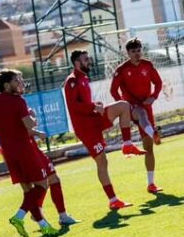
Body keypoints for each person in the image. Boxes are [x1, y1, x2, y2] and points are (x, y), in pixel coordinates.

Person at [0, 69, 75, 237]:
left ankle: (43, 225)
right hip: (25, 151)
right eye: (17, 80)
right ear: (7, 85)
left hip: (9, 154)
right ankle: (19, 216)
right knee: (42, 185)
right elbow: (29, 124)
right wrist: (33, 117)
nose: (20, 82)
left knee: (28, 190)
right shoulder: (18, 101)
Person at [64, 49, 143, 210]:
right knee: (102, 161)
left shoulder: (83, 78)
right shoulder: (71, 81)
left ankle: (127, 144)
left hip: (93, 119)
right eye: (86, 59)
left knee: (123, 105)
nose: (89, 62)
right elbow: (73, 106)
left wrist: (95, 105)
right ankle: (113, 200)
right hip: (86, 128)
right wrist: (93, 106)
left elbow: (83, 103)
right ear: (77, 62)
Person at [110, 37, 164, 193]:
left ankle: (151, 183)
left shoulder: (148, 65)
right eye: (133, 51)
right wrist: (123, 106)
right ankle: (153, 132)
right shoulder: (121, 69)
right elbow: (113, 90)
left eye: (138, 50)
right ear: (127, 53)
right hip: (132, 108)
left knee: (149, 147)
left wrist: (154, 96)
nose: (136, 54)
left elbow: (158, 83)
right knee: (140, 113)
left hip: (146, 106)